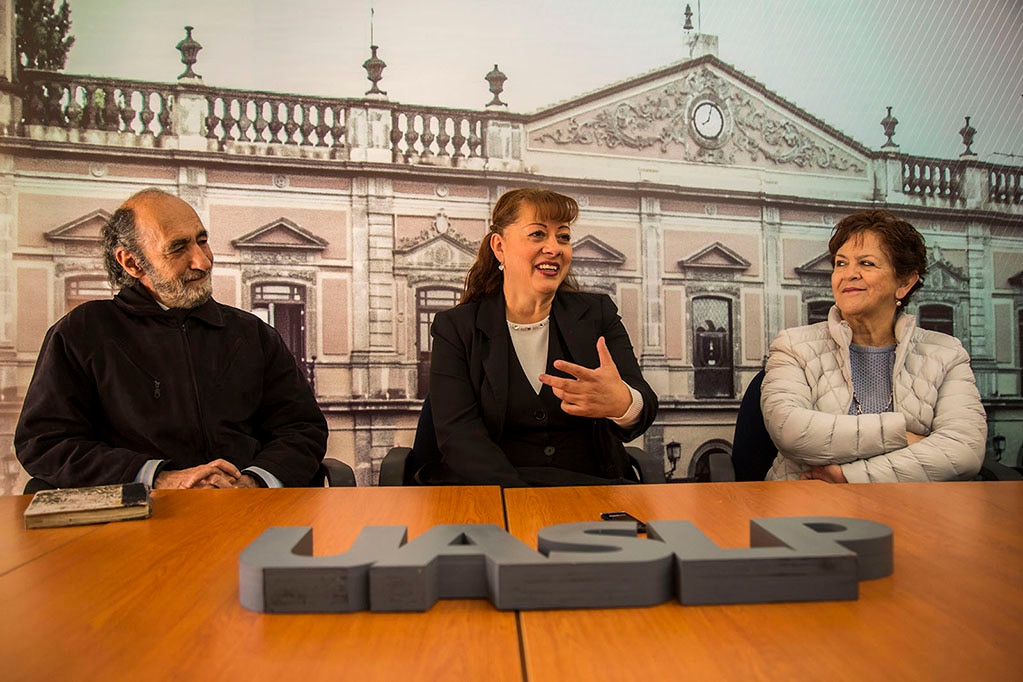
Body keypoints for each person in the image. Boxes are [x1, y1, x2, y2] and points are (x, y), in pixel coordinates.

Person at [15, 188, 328, 489]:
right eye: (179, 248)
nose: (203, 261)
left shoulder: (252, 333)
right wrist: (159, 478)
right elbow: (45, 443)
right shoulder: (81, 332)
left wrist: (253, 482)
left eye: (202, 241)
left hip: (250, 513)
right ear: (132, 263)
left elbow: (302, 427)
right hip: (141, 522)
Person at [423, 188, 658, 486]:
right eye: (537, 234)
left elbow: (644, 403)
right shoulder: (456, 327)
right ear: (499, 246)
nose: (554, 248)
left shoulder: (598, 314)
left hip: (592, 489)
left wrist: (624, 403)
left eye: (563, 237)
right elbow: (458, 436)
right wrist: (526, 498)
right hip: (494, 493)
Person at [760, 209, 986, 482]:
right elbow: (792, 431)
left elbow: (964, 452)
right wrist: (900, 435)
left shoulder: (947, 354)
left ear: (904, 283)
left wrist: (849, 476)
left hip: (914, 509)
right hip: (809, 506)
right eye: (841, 264)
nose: (849, 274)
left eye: (866, 264)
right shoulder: (794, 346)